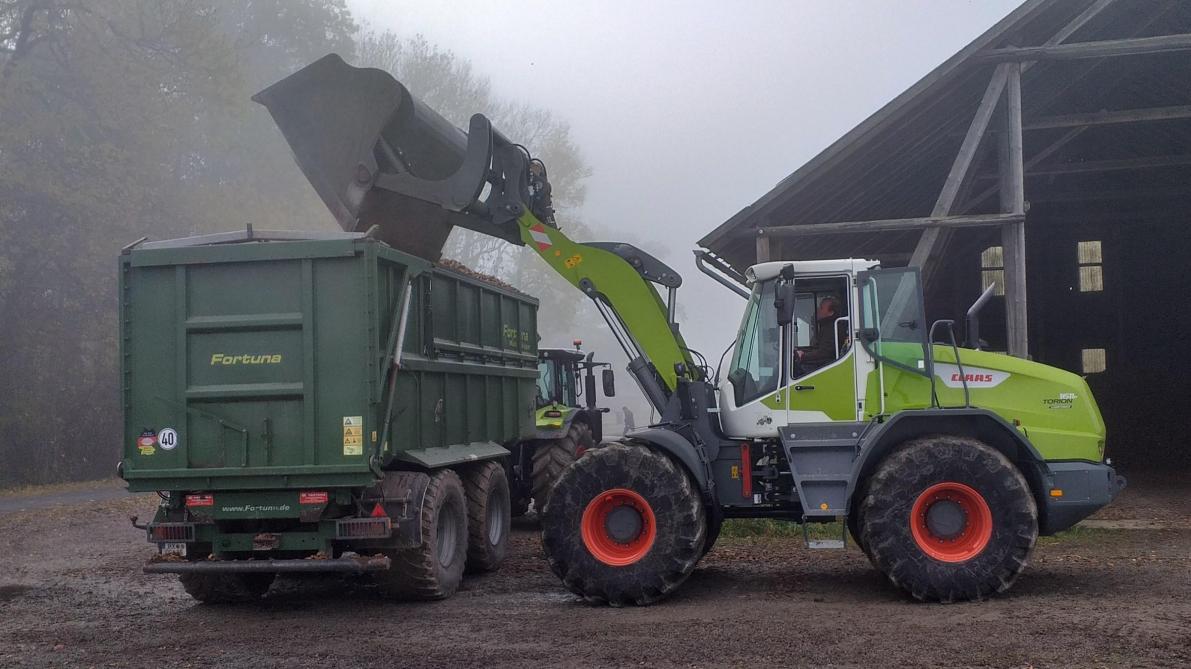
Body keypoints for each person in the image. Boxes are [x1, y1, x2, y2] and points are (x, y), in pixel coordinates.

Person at [797, 296, 842, 372]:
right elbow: (817, 348)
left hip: (826, 366)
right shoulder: (826, 326)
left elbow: (825, 352)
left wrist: (803, 356)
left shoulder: (832, 328)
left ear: (831, 312)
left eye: (821, 308)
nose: (818, 310)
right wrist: (800, 350)